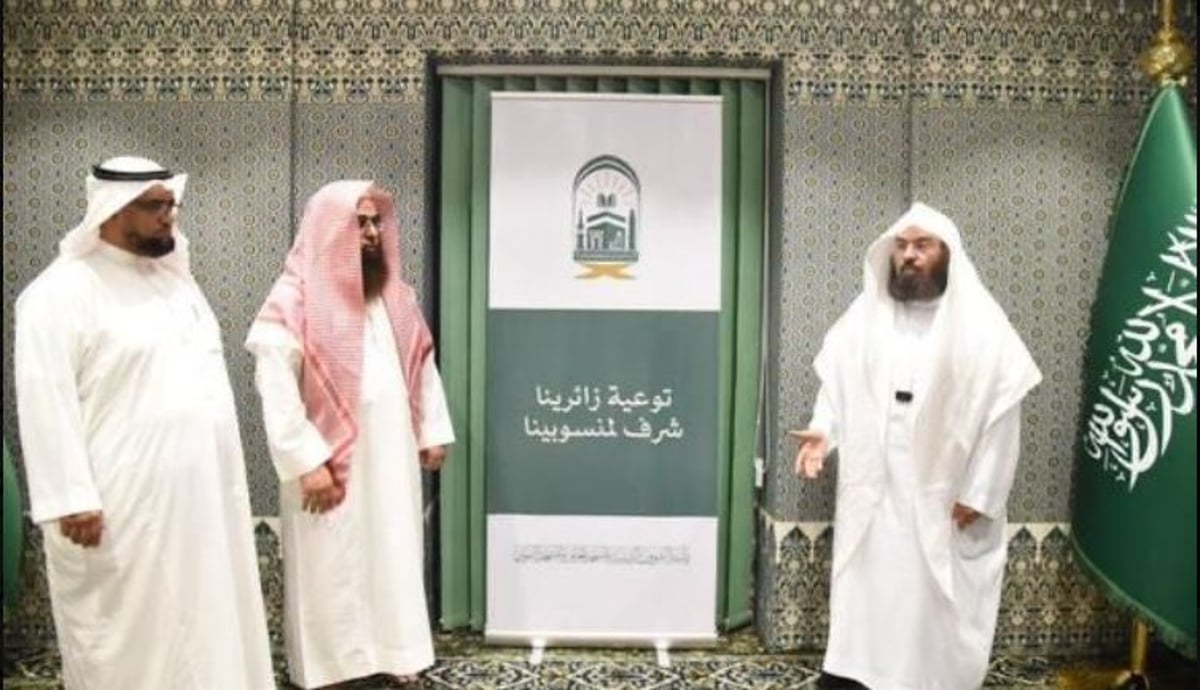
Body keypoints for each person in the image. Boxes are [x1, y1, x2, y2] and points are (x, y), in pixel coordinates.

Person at [13, 156, 275, 689]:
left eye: (171, 205)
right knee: (136, 638)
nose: (168, 216)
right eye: (154, 206)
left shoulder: (176, 283)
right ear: (111, 209)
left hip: (200, 500)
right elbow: (45, 400)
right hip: (120, 504)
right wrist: (70, 496)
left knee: (204, 625)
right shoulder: (59, 293)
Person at [791, 203, 1041, 689]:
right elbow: (837, 388)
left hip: (942, 490)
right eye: (901, 246)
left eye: (922, 245)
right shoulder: (865, 316)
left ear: (947, 254)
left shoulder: (983, 328)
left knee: (930, 598)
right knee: (870, 585)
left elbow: (1003, 414)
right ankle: (858, 674)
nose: (909, 255)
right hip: (876, 482)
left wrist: (981, 493)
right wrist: (824, 432)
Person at [246, 180, 454, 689]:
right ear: (328, 229)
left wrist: (431, 430)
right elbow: (276, 388)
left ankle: (396, 652)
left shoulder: (395, 295)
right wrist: (306, 461)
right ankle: (332, 668)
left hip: (391, 455)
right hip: (328, 464)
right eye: (358, 223)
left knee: (393, 548)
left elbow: (422, 366)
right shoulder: (295, 299)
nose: (371, 232)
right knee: (331, 564)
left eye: (375, 222)